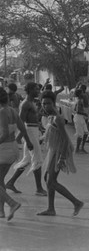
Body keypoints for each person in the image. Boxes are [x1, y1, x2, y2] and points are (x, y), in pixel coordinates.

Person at [36, 90, 84, 217]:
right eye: (43, 104)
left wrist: (62, 157)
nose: (45, 106)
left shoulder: (58, 118)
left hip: (60, 150)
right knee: (48, 179)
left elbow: (65, 140)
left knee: (51, 181)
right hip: (53, 150)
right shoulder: (51, 117)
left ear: (54, 103)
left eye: (48, 103)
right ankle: (51, 208)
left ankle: (76, 202)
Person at [6, 82, 47, 196]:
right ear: (29, 90)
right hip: (30, 132)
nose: (38, 91)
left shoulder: (31, 102)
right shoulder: (25, 104)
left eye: (39, 89)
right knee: (37, 160)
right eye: (36, 89)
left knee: (27, 160)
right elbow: (21, 122)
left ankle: (10, 182)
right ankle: (39, 189)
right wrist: (26, 140)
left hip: (33, 131)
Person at [0, 87, 32, 221]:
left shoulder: (1, 112)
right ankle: (1, 211)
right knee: (0, 180)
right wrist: (29, 142)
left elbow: (5, 133)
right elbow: (22, 128)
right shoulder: (12, 110)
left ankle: (12, 203)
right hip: (13, 148)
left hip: (4, 148)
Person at [74, 89, 89, 154]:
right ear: (80, 94)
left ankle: (82, 148)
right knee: (80, 134)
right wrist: (84, 113)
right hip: (79, 117)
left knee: (86, 133)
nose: (83, 94)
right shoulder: (79, 101)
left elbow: (75, 109)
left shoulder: (80, 100)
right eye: (82, 93)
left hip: (81, 117)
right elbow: (77, 111)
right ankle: (77, 149)